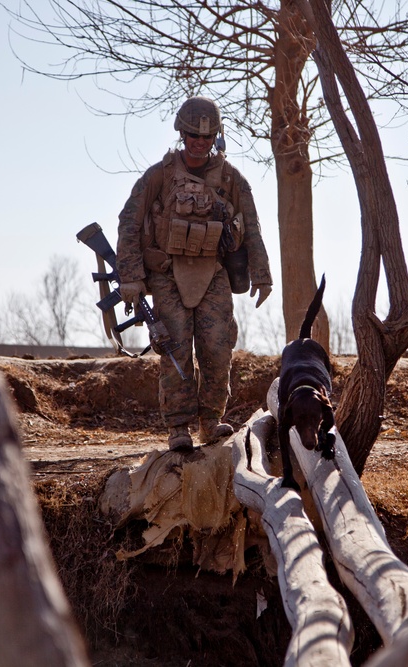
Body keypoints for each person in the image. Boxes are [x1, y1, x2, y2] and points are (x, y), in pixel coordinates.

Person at [115, 96, 273, 451]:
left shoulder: (231, 179)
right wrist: (131, 276)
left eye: (206, 137)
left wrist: (261, 275)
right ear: (181, 135)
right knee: (175, 351)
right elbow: (130, 223)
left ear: (216, 137)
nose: (199, 143)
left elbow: (252, 227)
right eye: (192, 136)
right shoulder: (159, 176)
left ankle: (210, 421)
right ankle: (179, 428)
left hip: (213, 272)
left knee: (218, 350)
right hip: (167, 273)